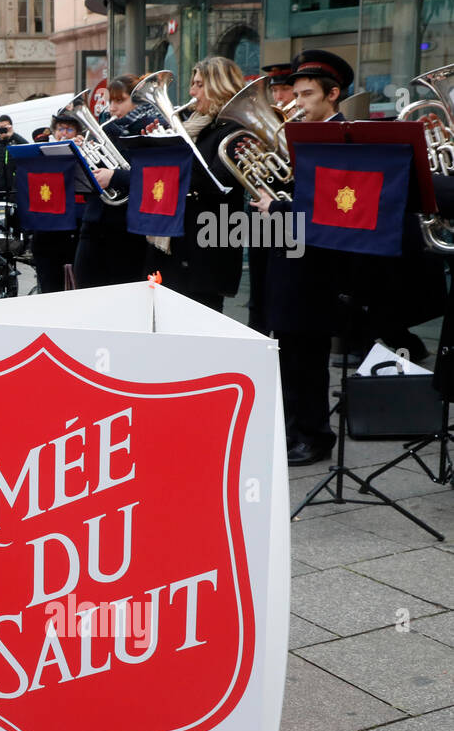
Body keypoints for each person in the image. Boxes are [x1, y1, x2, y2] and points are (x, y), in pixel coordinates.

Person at [252, 50, 352, 466]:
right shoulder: (301, 134)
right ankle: (292, 429)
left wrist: (276, 210)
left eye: (307, 94)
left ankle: (314, 436)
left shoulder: (345, 137)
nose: (297, 102)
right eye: (296, 93)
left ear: (333, 94)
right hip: (288, 254)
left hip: (317, 262)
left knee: (307, 354)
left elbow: (337, 205)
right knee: (288, 349)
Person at [147, 56, 247, 312]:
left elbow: (219, 183)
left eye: (199, 85)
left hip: (207, 248)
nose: (192, 92)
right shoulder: (195, 127)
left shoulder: (234, 131)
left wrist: (176, 148)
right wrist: (158, 146)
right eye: (193, 84)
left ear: (220, 86)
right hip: (179, 245)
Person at [74, 73, 156, 288]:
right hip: (93, 223)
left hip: (128, 228)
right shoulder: (104, 132)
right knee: (85, 290)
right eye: (110, 101)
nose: (112, 108)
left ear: (137, 100)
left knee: (124, 292)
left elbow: (155, 178)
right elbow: (87, 183)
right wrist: (79, 156)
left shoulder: (151, 130)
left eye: (119, 100)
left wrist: (114, 176)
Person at [27, 111, 86, 293]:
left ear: (77, 133)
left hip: (73, 227)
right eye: (60, 129)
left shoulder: (85, 150)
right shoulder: (41, 152)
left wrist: (82, 153)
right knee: (49, 284)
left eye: (69, 129)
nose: (64, 133)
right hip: (46, 226)